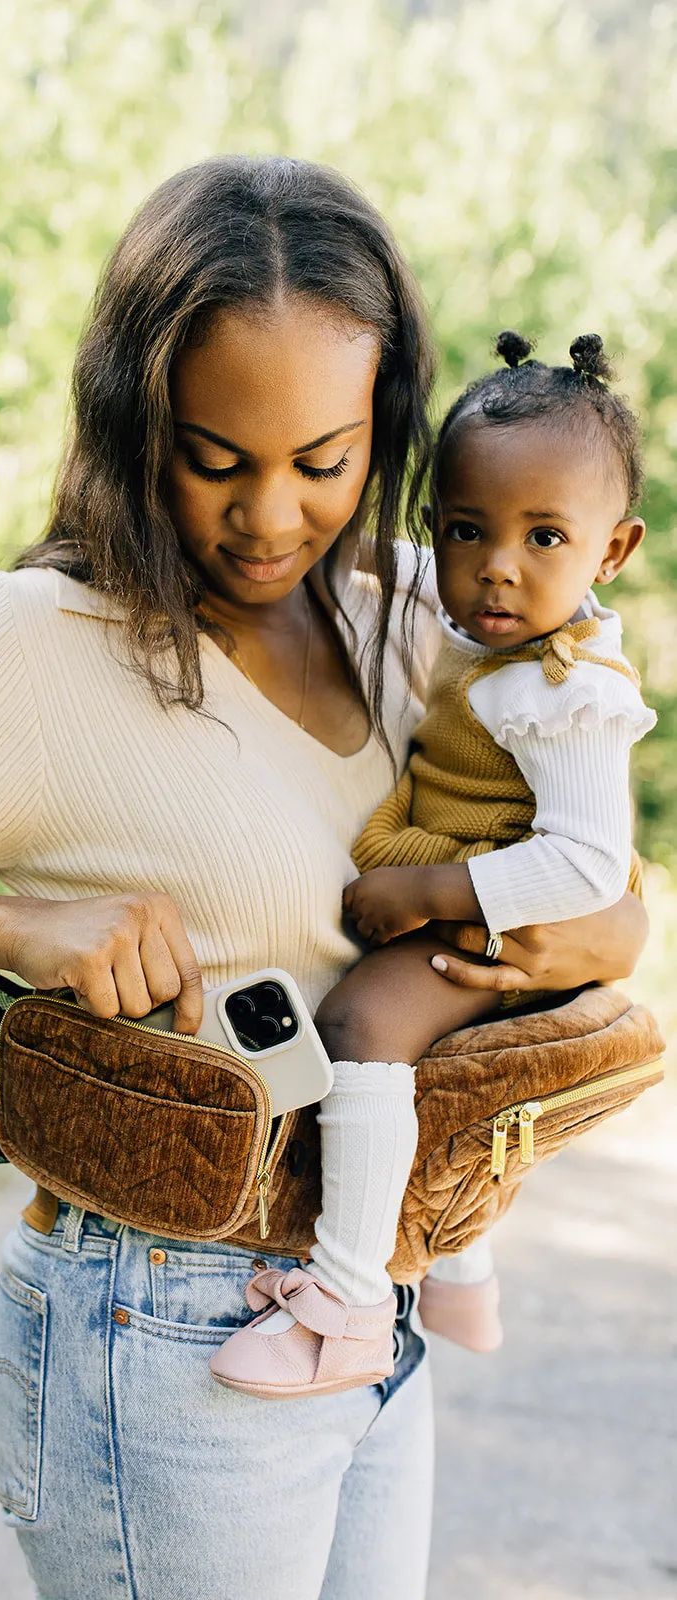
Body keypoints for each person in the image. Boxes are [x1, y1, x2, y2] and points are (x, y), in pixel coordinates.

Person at [0, 157, 648, 1600]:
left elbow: (588, 870)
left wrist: (584, 927)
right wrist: (13, 925)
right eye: (212, 458)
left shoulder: (416, 615)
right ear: (129, 420)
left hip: (367, 1287)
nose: (268, 520)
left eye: (323, 459)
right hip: (158, 1325)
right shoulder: (24, 645)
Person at [209, 329, 654, 1400]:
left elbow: (589, 864)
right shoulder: (484, 611)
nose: (497, 563)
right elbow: (382, 558)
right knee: (432, 1077)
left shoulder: (564, 687)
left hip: (499, 898)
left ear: (610, 551)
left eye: (543, 535)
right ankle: (459, 1271)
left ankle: (348, 1305)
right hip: (475, 879)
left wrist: (430, 893)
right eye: (467, 530)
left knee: (363, 1027)